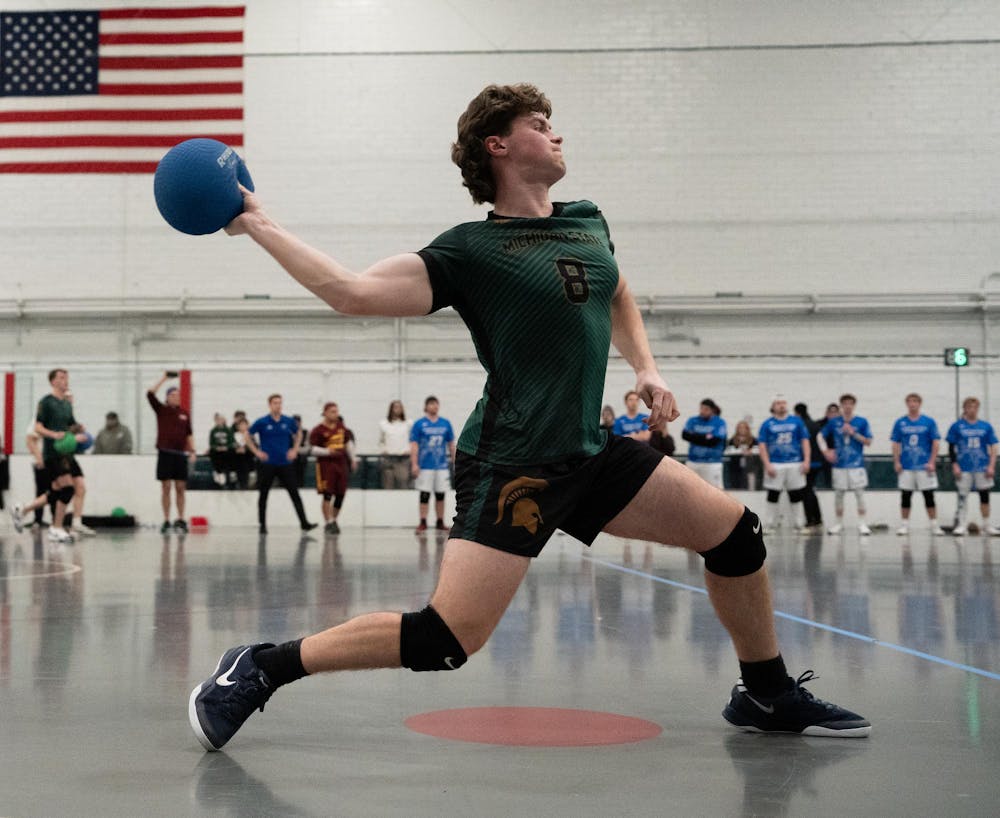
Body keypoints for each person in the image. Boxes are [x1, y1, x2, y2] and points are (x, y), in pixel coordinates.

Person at [188, 83, 869, 753]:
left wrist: (647, 367)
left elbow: (615, 287)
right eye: (542, 124)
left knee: (736, 536)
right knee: (446, 639)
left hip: (590, 450)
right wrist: (258, 223)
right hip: (514, 463)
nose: (558, 133)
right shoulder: (470, 252)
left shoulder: (587, 219)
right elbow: (352, 292)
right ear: (500, 145)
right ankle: (258, 666)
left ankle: (765, 691)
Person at [34, 369, 92, 542]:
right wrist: (53, 434)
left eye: (66, 377)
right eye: (61, 377)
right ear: (52, 381)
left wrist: (78, 429)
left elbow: (70, 425)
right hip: (53, 452)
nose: (65, 380)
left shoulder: (67, 404)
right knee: (66, 489)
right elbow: (38, 427)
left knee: (74, 487)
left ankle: (67, 524)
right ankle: (56, 527)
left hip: (67, 453)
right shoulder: (46, 402)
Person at [247, 394, 318, 535]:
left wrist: (295, 449)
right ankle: (262, 525)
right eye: (275, 403)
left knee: (294, 493)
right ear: (269, 404)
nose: (278, 406)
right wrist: (256, 451)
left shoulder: (288, 421)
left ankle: (304, 523)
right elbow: (247, 435)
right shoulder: (262, 422)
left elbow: (299, 434)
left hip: (285, 463)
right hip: (268, 463)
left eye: (280, 403)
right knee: (263, 494)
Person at [148, 374, 197, 534]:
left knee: (181, 487)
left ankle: (181, 519)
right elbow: (150, 393)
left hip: (180, 454)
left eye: (178, 395)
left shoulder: (184, 414)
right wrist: (163, 378)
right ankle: (167, 519)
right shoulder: (161, 410)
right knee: (166, 486)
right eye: (172, 395)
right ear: (167, 397)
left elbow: (189, 434)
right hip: (165, 453)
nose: (176, 397)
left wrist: (192, 450)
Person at [890, 393, 944, 536]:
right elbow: (895, 443)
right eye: (910, 401)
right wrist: (896, 461)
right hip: (906, 466)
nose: (912, 404)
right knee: (906, 496)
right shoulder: (900, 422)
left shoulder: (928, 422)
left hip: (924, 466)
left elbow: (936, 442)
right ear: (906, 404)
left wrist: (932, 461)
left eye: (915, 401)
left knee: (929, 496)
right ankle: (904, 525)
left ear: (920, 403)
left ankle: (934, 525)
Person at [819, 393, 873, 536]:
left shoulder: (862, 421)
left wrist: (854, 433)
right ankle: (838, 523)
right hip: (839, 465)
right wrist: (826, 452)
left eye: (850, 403)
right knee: (838, 494)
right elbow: (820, 436)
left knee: (859, 494)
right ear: (841, 406)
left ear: (854, 405)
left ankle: (862, 523)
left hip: (857, 465)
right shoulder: (834, 422)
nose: (848, 406)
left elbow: (868, 441)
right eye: (845, 403)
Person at [946, 397, 1000, 536]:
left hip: (982, 466)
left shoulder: (985, 426)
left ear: (978, 408)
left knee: (984, 496)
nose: (972, 410)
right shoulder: (957, 426)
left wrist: (991, 465)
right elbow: (951, 447)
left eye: (975, 407)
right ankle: (962, 525)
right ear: (964, 408)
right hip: (964, 467)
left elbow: (993, 446)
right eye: (969, 407)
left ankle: (987, 525)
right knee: (963, 496)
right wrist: (955, 465)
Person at [757, 396, 811, 533]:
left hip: (795, 463)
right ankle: (769, 524)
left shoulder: (797, 422)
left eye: (783, 403)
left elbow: (805, 441)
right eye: (778, 403)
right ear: (773, 407)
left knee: (796, 493)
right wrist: (767, 464)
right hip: (775, 463)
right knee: (773, 493)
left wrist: (806, 460)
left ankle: (799, 524)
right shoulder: (767, 424)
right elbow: (762, 445)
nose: (781, 405)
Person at [309, 402, 358, 534]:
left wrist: (353, 459)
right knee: (327, 495)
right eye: (332, 412)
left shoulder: (341, 427)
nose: (335, 414)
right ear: (325, 413)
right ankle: (328, 521)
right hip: (326, 466)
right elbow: (312, 449)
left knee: (340, 495)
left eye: (336, 411)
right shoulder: (318, 430)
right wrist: (327, 451)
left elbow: (348, 443)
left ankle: (334, 519)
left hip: (341, 464)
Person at [409, 396, 456, 532]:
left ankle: (440, 521)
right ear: (426, 406)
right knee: (424, 494)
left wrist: (454, 461)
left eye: (436, 404)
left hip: (441, 465)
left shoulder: (445, 423)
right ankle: (423, 521)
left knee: (441, 494)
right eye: (431, 404)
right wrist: (414, 464)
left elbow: (451, 444)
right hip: (425, 465)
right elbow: (414, 445)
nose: (434, 406)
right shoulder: (419, 424)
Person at [681, 398, 727, 488]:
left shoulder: (719, 422)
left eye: (706, 409)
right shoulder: (693, 420)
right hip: (693, 461)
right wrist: (705, 437)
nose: (702, 411)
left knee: (713, 491)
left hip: (712, 463)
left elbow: (714, 441)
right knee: (689, 489)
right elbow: (685, 435)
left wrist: (695, 437)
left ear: (712, 410)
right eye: (701, 408)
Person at [793, 402, 825, 528]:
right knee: (810, 489)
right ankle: (817, 518)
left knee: (806, 491)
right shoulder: (815, 425)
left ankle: (811, 519)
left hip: (806, 463)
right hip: (817, 462)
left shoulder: (800, 425)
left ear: (797, 413)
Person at [378, 400, 411, 489]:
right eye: (395, 407)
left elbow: (412, 440)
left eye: (400, 407)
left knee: (403, 485)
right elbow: (381, 441)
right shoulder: (384, 424)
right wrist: (383, 450)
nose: (398, 409)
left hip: (403, 459)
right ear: (391, 409)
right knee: (388, 485)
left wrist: (409, 450)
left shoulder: (408, 423)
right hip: (388, 459)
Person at [725, 420, 758, 490]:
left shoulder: (753, 440)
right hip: (735, 464)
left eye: (744, 428)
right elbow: (728, 450)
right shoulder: (732, 440)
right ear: (737, 429)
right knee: (735, 480)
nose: (742, 430)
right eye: (740, 428)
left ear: (747, 429)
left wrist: (750, 451)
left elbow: (757, 449)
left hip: (749, 464)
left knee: (747, 481)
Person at [207, 413, 236, 487]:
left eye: (221, 419)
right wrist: (216, 447)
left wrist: (226, 447)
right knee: (212, 452)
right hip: (217, 450)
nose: (219, 421)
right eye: (217, 420)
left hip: (226, 449)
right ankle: (218, 471)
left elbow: (231, 441)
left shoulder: (228, 430)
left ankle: (231, 472)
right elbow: (211, 443)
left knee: (231, 452)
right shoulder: (213, 431)